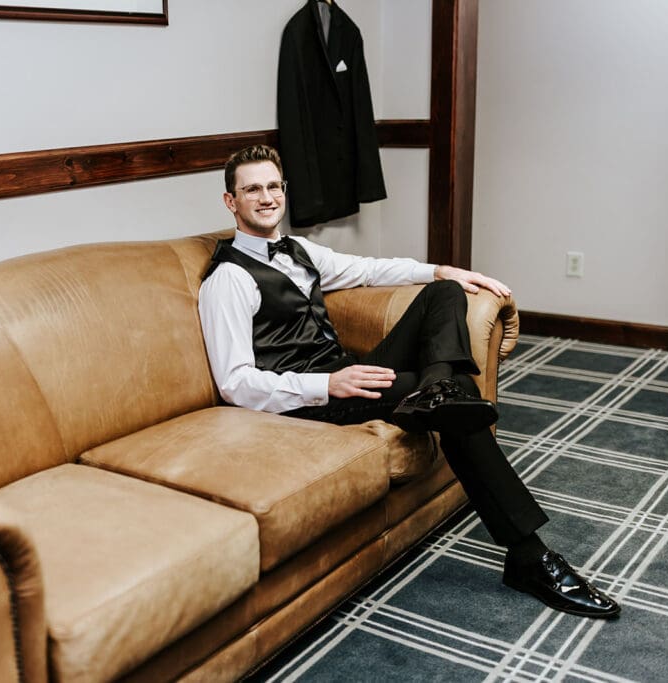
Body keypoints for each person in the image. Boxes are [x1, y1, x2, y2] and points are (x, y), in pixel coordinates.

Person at [198, 144, 621, 619]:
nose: (267, 197)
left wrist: (445, 270)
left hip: (348, 369)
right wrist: (327, 386)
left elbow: (371, 270)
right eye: (252, 189)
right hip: (310, 398)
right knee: (460, 404)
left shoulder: (299, 249)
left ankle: (436, 388)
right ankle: (530, 556)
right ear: (231, 202)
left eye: (273, 186)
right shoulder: (228, 280)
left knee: (442, 294)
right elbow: (235, 383)